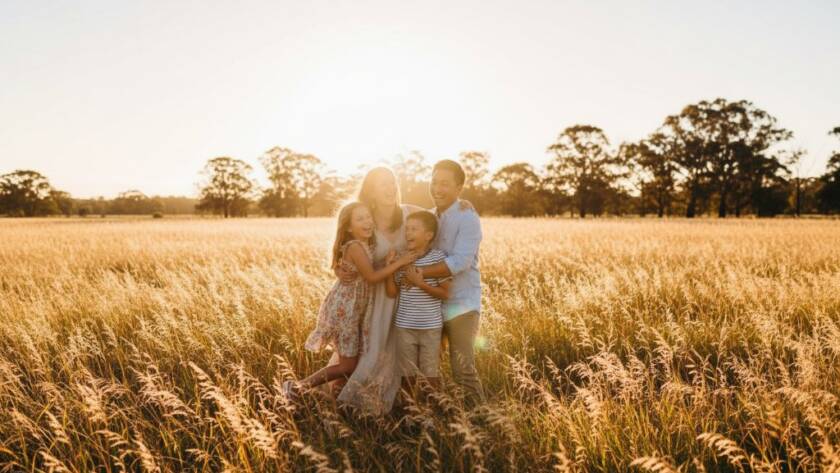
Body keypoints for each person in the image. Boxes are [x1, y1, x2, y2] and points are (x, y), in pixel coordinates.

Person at [333, 166, 473, 415]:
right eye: (382, 184)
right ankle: (360, 404)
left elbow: (437, 218)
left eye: (392, 181)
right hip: (377, 300)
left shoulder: (410, 213)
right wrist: (338, 269)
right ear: (371, 191)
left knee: (403, 356)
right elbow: (347, 250)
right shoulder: (365, 220)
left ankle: (407, 406)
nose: (390, 187)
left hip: (408, 300)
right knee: (372, 353)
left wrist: (462, 204)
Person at [283, 201, 415, 398]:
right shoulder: (355, 247)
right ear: (349, 227)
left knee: (350, 363)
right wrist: (400, 263)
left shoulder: (364, 244)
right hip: (346, 310)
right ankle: (297, 387)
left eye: (368, 217)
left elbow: (367, 272)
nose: (368, 222)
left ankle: (334, 399)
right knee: (347, 364)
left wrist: (387, 263)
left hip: (353, 310)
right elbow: (371, 277)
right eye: (360, 219)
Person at [415, 159, 485, 406]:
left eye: (445, 184)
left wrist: (420, 273)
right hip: (433, 303)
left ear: (459, 188)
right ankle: (438, 417)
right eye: (434, 182)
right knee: (427, 368)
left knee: (462, 369)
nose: (437, 189)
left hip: (462, 304)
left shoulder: (467, 217)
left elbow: (460, 262)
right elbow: (397, 210)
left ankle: (481, 423)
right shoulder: (429, 216)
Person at [385, 210, 450, 398]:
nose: (408, 233)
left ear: (428, 235)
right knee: (407, 376)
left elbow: (446, 293)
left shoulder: (438, 258)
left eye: (414, 229)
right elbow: (391, 292)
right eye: (407, 229)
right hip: (404, 327)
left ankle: (432, 413)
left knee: (430, 375)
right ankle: (411, 413)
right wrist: (391, 268)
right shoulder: (402, 259)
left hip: (431, 327)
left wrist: (420, 282)